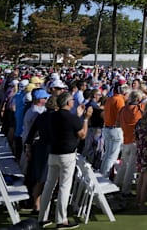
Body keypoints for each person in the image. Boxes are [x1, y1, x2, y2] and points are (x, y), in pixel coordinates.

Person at [38, 91, 92, 229]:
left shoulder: (53, 116)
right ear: (68, 102)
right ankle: (61, 220)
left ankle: (42, 217)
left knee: (49, 185)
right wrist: (85, 118)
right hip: (66, 154)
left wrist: (79, 117)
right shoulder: (70, 117)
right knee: (64, 187)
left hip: (53, 152)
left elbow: (70, 126)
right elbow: (82, 134)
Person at [115, 90, 144, 196]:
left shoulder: (123, 109)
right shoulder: (139, 108)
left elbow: (117, 123)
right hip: (135, 140)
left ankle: (117, 185)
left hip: (126, 139)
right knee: (130, 167)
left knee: (124, 165)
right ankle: (125, 190)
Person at [101, 83, 128, 177]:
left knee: (107, 155)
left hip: (107, 128)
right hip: (115, 129)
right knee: (112, 157)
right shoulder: (119, 100)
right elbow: (122, 115)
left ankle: (102, 175)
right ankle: (104, 178)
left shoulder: (110, 98)